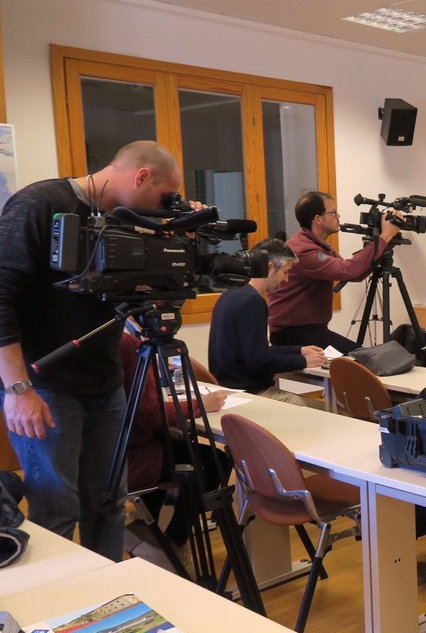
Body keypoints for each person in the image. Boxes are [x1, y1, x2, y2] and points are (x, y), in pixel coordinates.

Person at [0, 140, 186, 560]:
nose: (163, 208)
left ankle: (106, 602)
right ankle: (56, 610)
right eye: (162, 197)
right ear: (141, 177)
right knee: (56, 508)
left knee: (107, 502)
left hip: (104, 383)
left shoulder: (127, 220)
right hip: (45, 385)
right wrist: (17, 390)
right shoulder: (40, 204)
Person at [119, 332, 227, 566]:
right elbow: (148, 413)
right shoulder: (125, 343)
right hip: (128, 459)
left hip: (112, 452)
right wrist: (198, 404)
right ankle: (173, 541)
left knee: (183, 449)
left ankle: (148, 531)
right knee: (213, 462)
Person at [269, 190, 404, 353]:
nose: (338, 216)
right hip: (294, 335)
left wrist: (383, 243)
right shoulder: (303, 251)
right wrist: (385, 236)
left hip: (310, 331)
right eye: (333, 213)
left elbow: (355, 274)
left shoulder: (317, 245)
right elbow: (350, 270)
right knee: (362, 360)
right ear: (318, 219)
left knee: (363, 357)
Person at [210, 239, 326, 406]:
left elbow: (255, 350)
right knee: (319, 408)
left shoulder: (229, 295)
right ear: (270, 267)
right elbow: (258, 360)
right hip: (249, 393)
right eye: (286, 272)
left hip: (228, 388)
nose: (287, 280)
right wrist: (304, 362)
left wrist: (298, 350)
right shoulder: (253, 301)